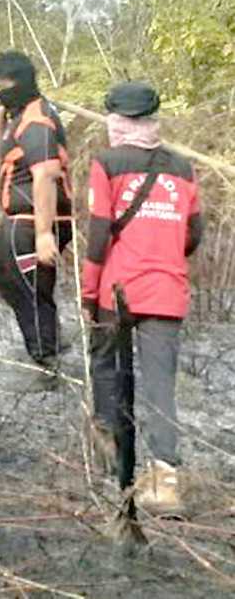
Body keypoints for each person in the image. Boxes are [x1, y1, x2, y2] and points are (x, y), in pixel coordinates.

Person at [82, 82, 203, 514]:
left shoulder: (107, 163)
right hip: (167, 291)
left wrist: (88, 287)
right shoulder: (184, 168)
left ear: (115, 119)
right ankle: (165, 483)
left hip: (118, 290)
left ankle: (114, 455)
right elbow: (194, 233)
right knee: (159, 388)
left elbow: (98, 233)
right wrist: (165, 250)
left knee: (107, 369)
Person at [0, 51, 73, 391]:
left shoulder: (37, 121)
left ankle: (47, 363)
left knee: (31, 288)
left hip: (35, 220)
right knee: (1, 274)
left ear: (22, 82)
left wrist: (44, 234)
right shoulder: (18, 116)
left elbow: (46, 175)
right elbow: (2, 156)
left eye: (3, 85)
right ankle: (49, 337)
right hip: (19, 219)